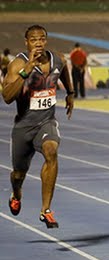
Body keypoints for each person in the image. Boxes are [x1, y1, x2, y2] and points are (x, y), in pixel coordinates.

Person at [1, 24, 75, 229]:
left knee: (52, 151)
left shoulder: (57, 58)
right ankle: (16, 193)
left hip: (46, 122)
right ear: (27, 42)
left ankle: (46, 210)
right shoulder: (17, 64)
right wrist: (25, 72)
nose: (38, 43)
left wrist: (70, 92)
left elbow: (64, 69)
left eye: (42, 39)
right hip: (24, 126)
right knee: (18, 174)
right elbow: (7, 97)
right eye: (34, 40)